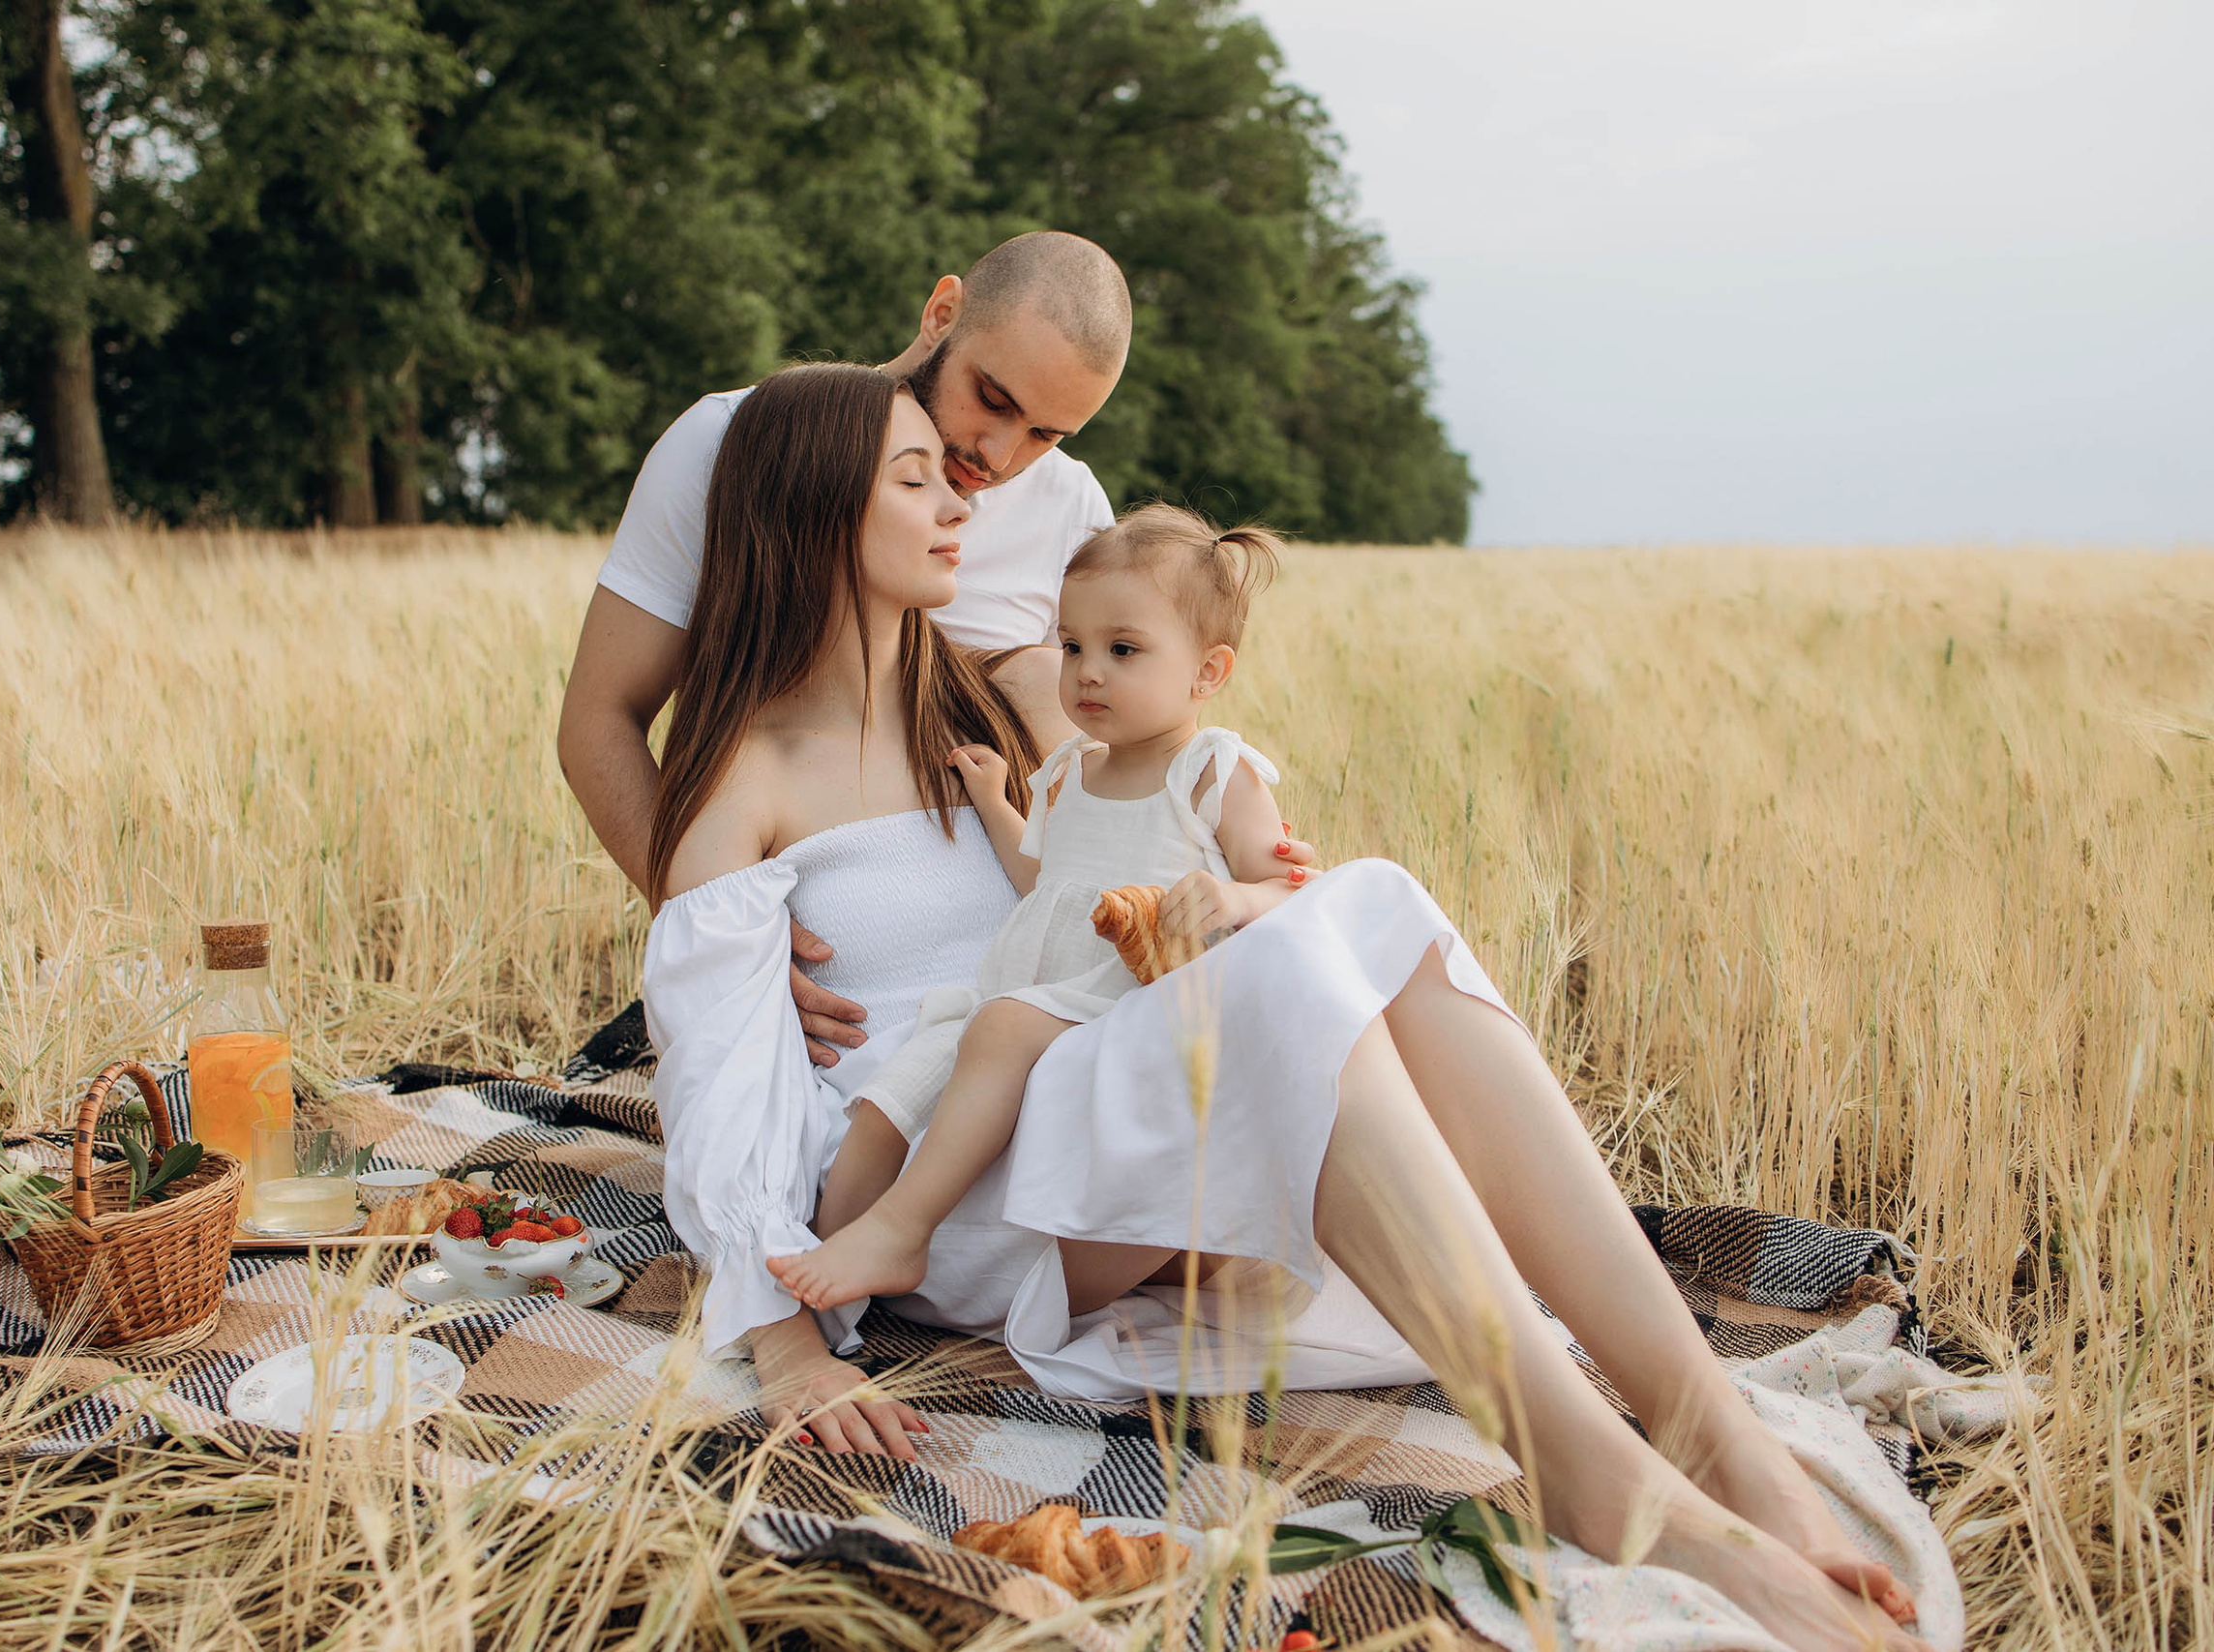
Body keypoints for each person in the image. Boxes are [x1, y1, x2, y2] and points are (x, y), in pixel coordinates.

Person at [642, 361, 1929, 1652]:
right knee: (1277, 968)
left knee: (1369, 901)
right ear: (815, 508)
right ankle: (1600, 1478)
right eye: (914, 480)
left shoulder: (992, 707)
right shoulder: (748, 777)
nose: (960, 503)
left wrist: (1245, 894)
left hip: (1090, 1076)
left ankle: (1713, 1433)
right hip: (943, 1171)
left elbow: (1136, 808)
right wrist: (788, 1343)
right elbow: (717, 1087)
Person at [559, 231, 1317, 1072]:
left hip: (1028, 920)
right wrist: (725, 937)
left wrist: (1230, 840)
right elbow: (599, 719)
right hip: (818, 892)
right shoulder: (737, 442)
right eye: (991, 398)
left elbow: (1139, 716)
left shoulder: (1069, 505)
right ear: (942, 313)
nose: (998, 456)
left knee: (1046, 682)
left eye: (1046, 434)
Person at [768, 504, 1304, 1313]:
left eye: (1123, 650)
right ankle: (834, 1261)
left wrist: (1235, 893)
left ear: (1207, 672)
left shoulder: (1212, 772)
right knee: (892, 1093)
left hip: (1135, 1001)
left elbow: (1293, 887)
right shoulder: (1069, 771)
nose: (1087, 671)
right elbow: (1045, 882)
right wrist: (994, 801)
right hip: (1033, 991)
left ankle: (903, 1232)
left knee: (1000, 1028)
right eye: (1072, 645)